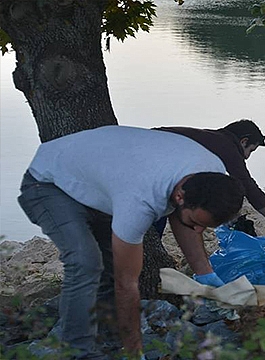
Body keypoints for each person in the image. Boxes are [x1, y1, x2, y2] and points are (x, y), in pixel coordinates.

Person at [17, 125, 245, 359]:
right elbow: (127, 285)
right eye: (196, 222)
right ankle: (76, 352)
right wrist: (135, 352)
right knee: (85, 262)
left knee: (109, 269)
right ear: (180, 197)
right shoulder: (139, 201)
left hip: (102, 177)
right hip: (48, 182)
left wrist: (205, 277)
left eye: (204, 226)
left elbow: (184, 220)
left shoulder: (212, 174)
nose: (199, 230)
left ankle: (109, 342)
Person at [153, 119, 265, 245]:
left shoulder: (213, 141)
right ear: (243, 141)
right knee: (158, 212)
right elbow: (248, 186)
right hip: (153, 160)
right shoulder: (227, 147)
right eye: (251, 150)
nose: (247, 157)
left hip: (155, 154)